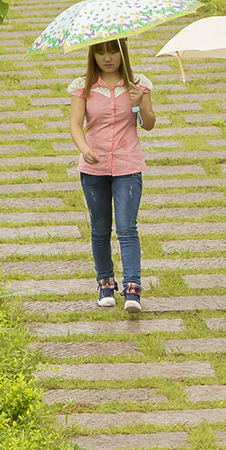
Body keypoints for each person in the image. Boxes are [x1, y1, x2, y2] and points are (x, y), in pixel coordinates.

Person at [68, 38, 156, 311]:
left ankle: (132, 290)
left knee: (127, 227)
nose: (108, 58)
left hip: (127, 164)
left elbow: (149, 124)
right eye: (101, 53)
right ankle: (105, 285)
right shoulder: (82, 87)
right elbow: (75, 124)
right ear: (92, 55)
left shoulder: (138, 84)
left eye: (113, 51)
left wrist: (140, 101)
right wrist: (85, 148)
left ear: (122, 52)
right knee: (100, 228)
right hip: (93, 167)